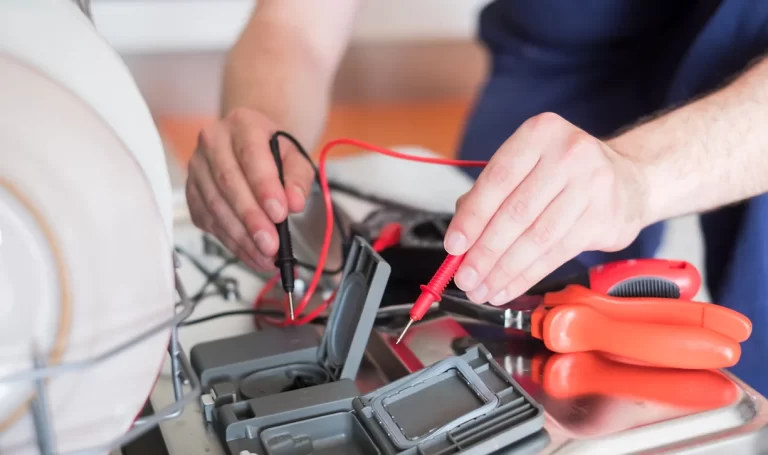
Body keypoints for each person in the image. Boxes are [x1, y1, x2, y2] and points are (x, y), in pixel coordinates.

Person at [185, 0, 768, 393]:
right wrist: (265, 134)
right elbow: (294, 23)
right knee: (493, 273)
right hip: (567, 37)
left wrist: (640, 176)